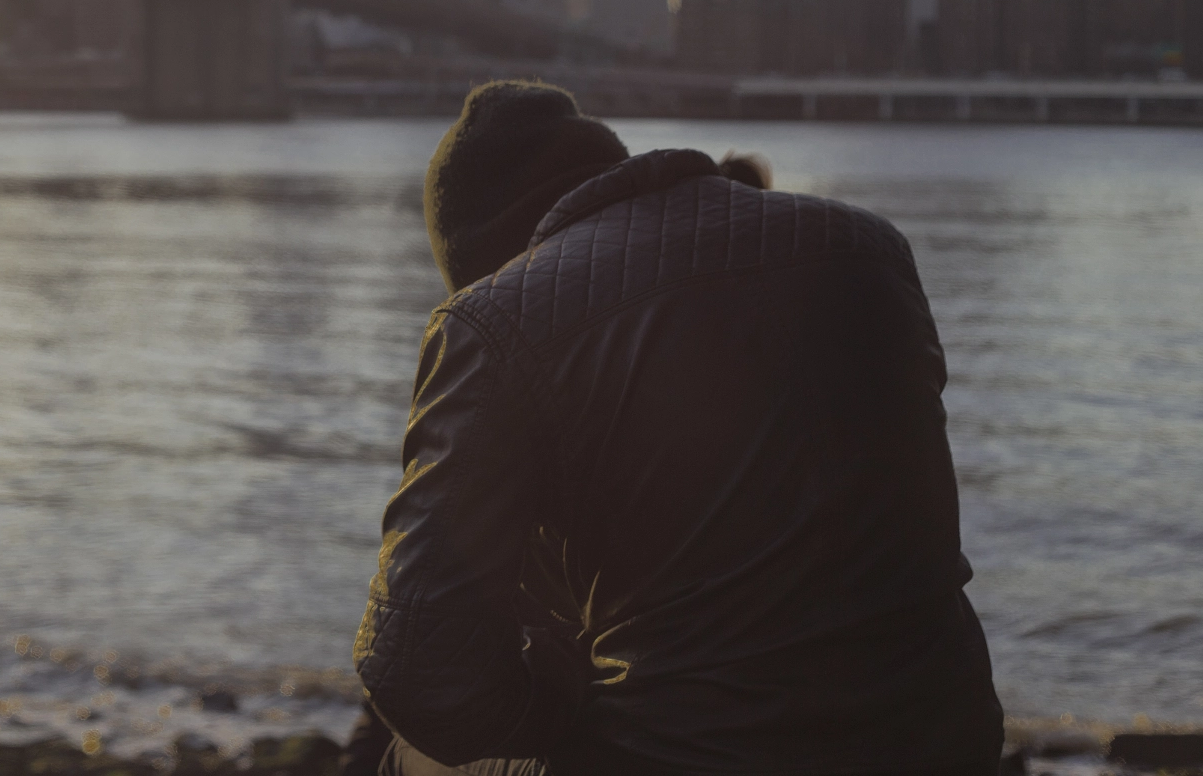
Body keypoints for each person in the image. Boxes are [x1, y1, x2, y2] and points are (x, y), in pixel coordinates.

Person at [352, 81, 1001, 776]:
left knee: (408, 758)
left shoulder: (495, 318)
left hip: (685, 758)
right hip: (943, 742)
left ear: (486, 258)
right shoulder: (868, 245)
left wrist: (553, 717)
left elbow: (416, 670)